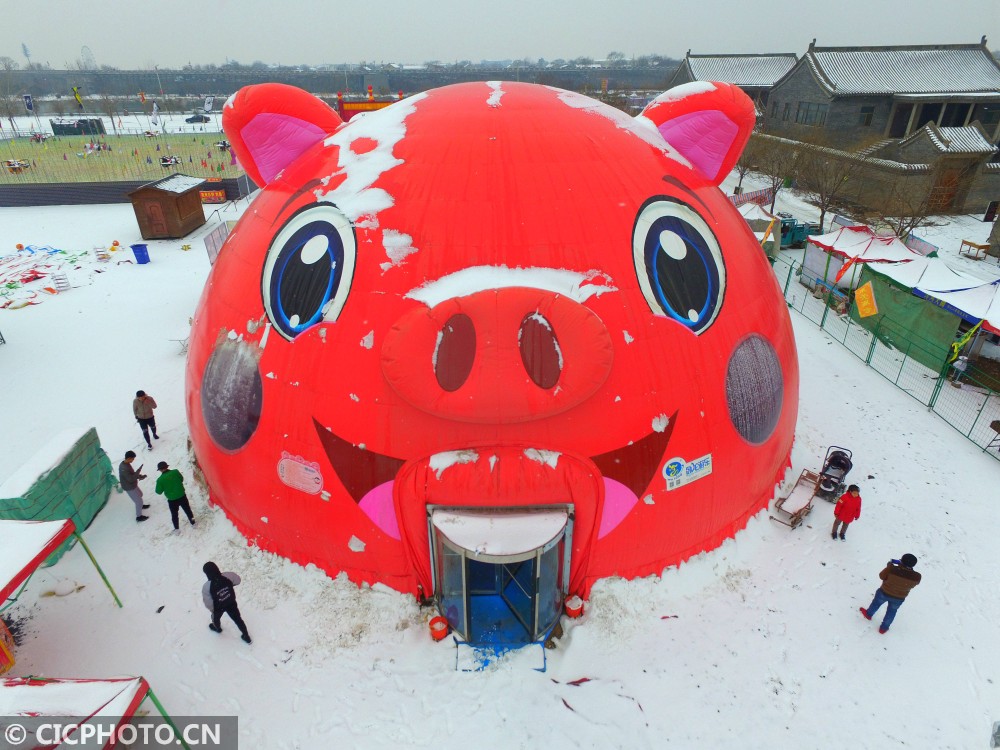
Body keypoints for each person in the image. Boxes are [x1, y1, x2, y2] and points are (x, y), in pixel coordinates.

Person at [860, 554, 921, 634]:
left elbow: (881, 576)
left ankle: (868, 614)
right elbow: (912, 585)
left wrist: (889, 566)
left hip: (884, 592)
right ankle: (883, 628)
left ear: (901, 561)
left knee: (876, 604)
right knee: (892, 611)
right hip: (899, 597)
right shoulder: (917, 576)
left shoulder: (892, 569)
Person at [202, 562, 252, 644]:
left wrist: (213, 610)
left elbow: (208, 602)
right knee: (238, 619)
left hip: (218, 607)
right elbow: (238, 580)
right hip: (231, 602)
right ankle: (246, 636)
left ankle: (217, 628)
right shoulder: (227, 576)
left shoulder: (206, 587)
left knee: (216, 618)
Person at [154, 461, 195, 533]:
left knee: (174, 514)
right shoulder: (175, 472)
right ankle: (193, 523)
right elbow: (181, 479)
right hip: (182, 495)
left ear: (160, 470)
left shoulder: (160, 480)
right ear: (167, 467)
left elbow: (158, 492)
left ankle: (177, 529)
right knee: (188, 510)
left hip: (172, 500)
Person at [118, 450, 150, 523]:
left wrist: (139, 476)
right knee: (138, 501)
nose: (133, 460)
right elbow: (131, 479)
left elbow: (132, 474)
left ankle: (141, 506)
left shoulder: (127, 463)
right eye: (133, 459)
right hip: (129, 487)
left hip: (133, 485)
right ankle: (139, 517)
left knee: (140, 494)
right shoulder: (123, 468)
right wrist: (138, 471)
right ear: (129, 458)